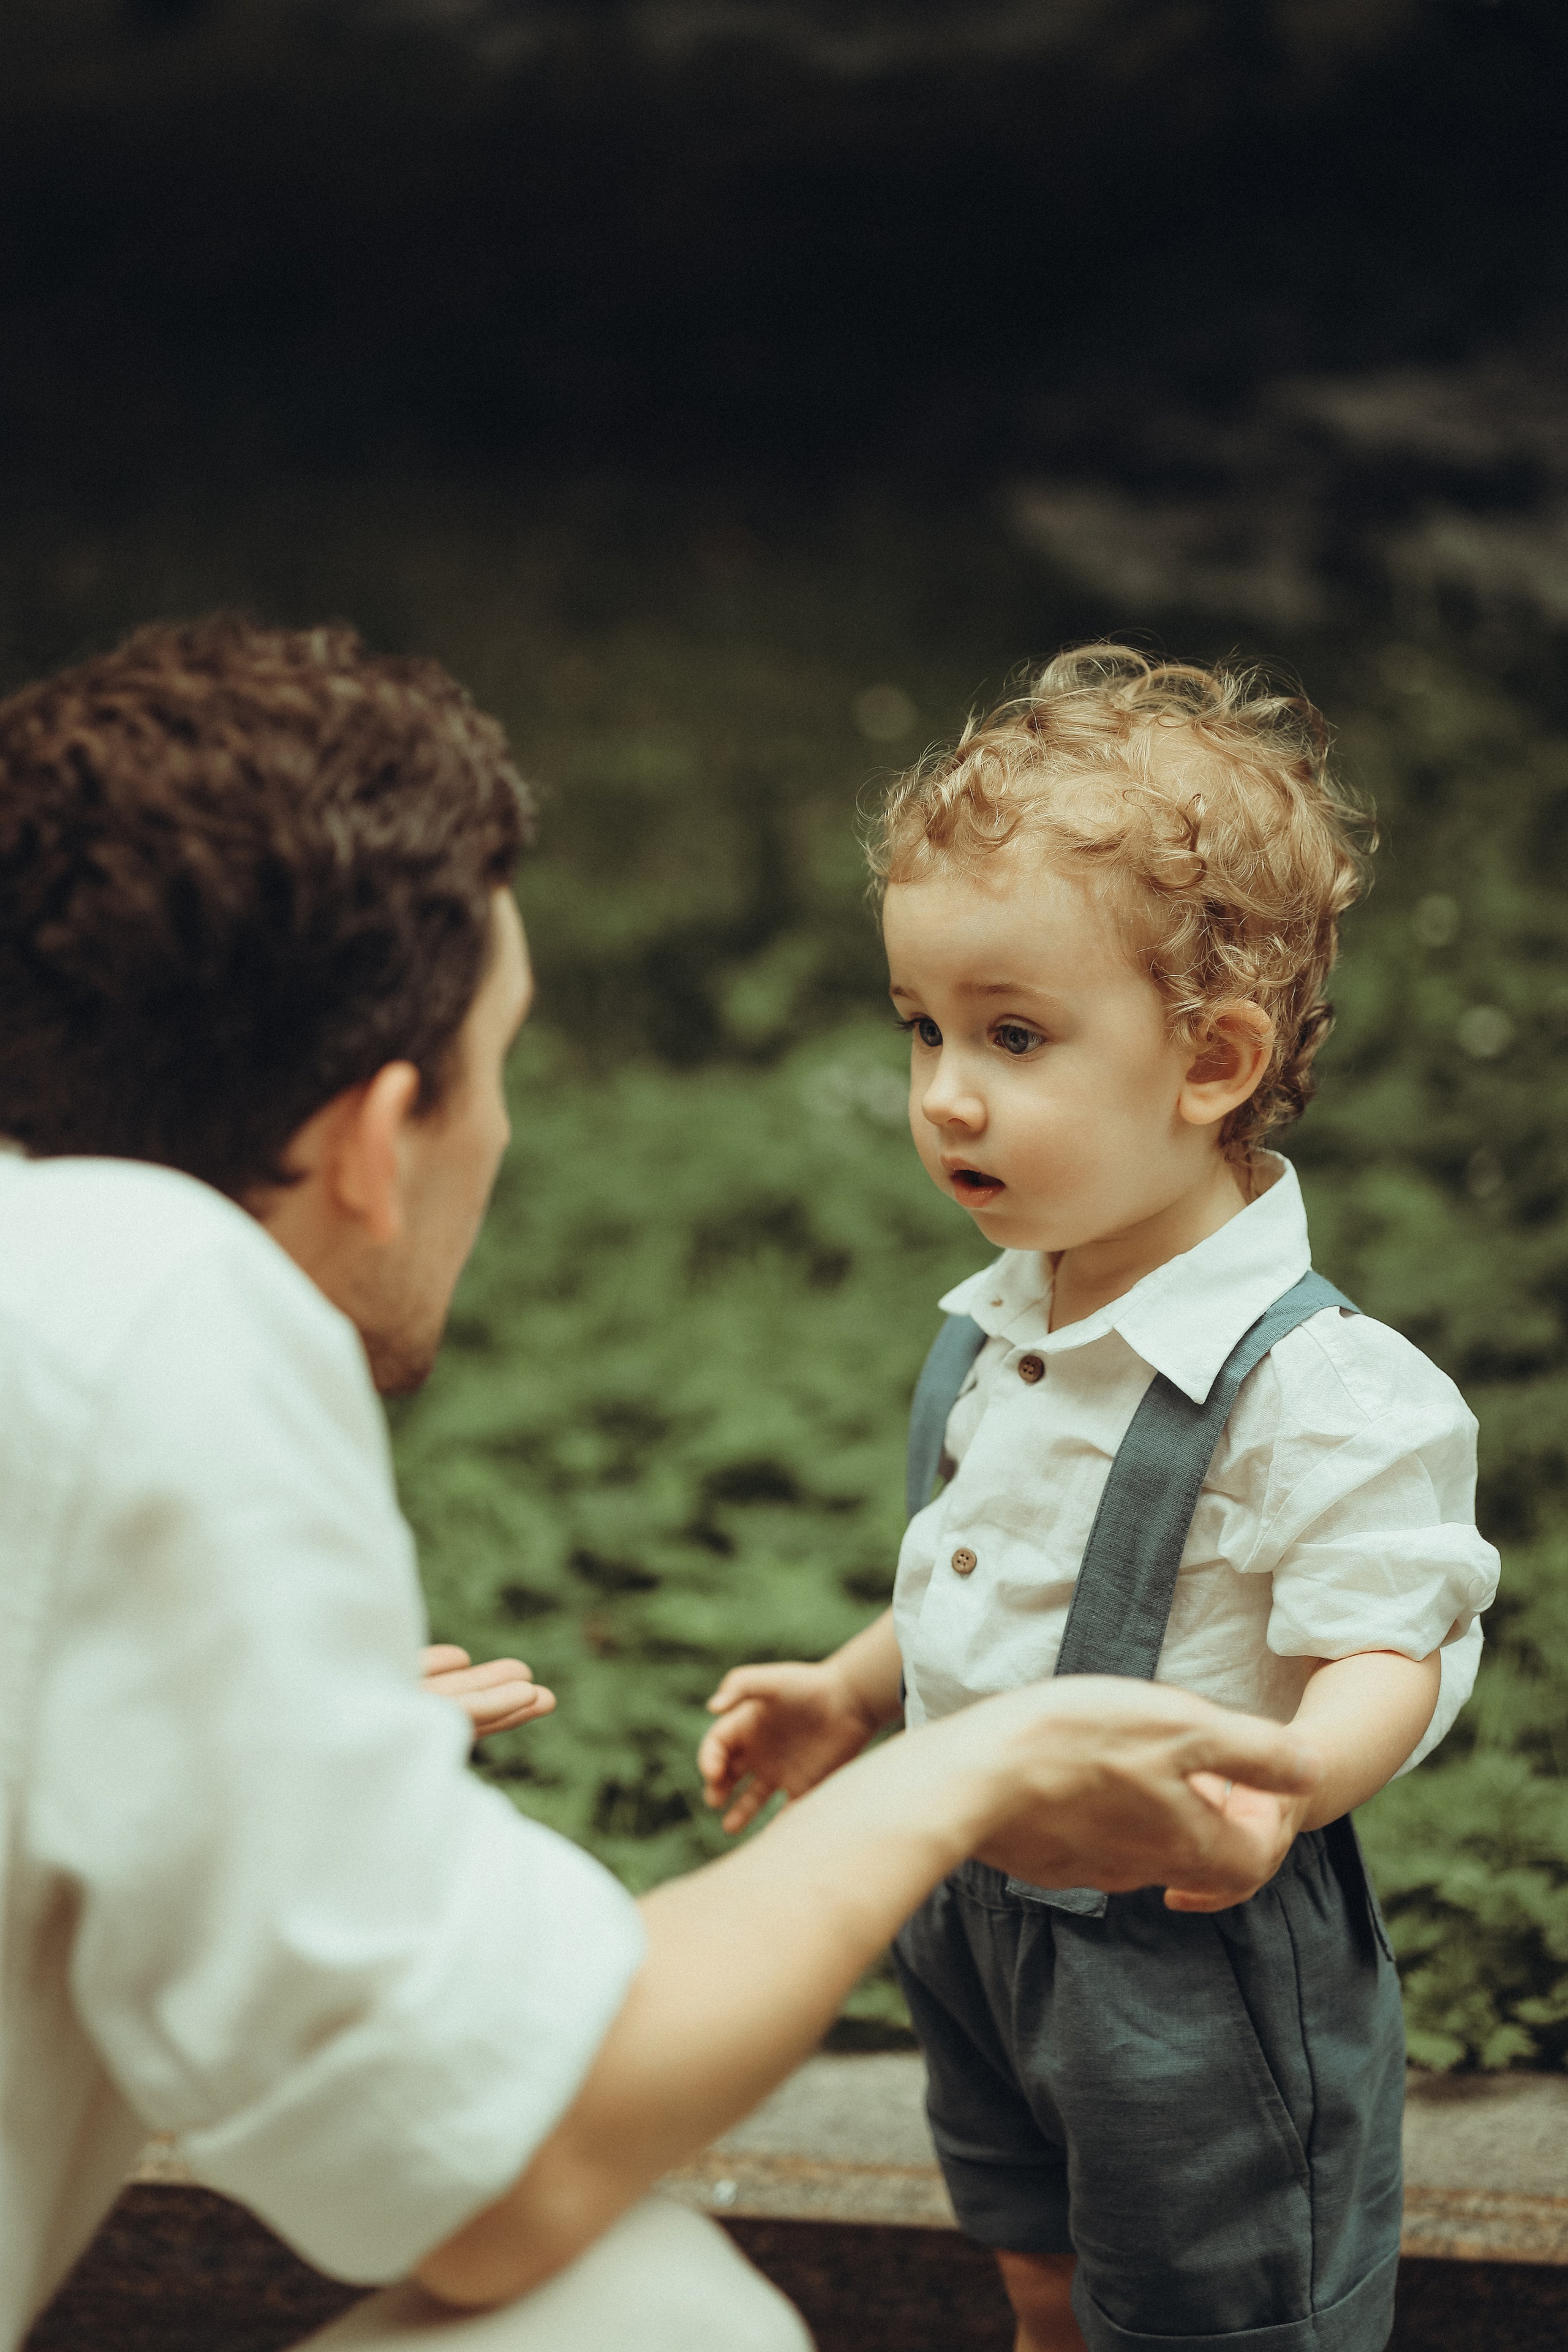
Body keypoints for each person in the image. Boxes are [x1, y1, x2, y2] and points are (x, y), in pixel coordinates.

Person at [0, 619, 1328, 2352]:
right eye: (502, 1063)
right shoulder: (156, 1313)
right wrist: (966, 1767)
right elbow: (505, 2175)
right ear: (372, 1134)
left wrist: (215, 1718)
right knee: (646, 2316)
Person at [700, 646, 1501, 2352]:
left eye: (1011, 1035)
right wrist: (856, 1689)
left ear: (1210, 1060)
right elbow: (1000, 1566)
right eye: (921, 1028)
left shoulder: (1319, 1393)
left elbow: (1393, 1640)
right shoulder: (1019, 1313)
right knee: (1038, 2241)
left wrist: (1297, 1782)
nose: (944, 1095)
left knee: (1217, 2299)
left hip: (1184, 1963)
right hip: (978, 1925)